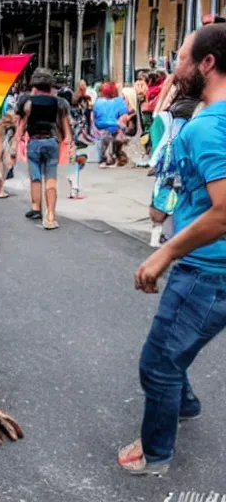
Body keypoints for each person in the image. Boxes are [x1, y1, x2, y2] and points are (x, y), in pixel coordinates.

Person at [121, 24, 226, 476]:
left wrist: (164, 254)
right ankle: (184, 405)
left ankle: (155, 453)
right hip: (209, 268)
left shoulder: (206, 127)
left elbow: (224, 212)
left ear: (206, 64)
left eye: (181, 58)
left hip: (207, 271)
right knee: (172, 351)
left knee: (158, 362)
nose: (173, 68)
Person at [13, 68, 72, 230]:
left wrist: (15, 143)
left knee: (36, 177)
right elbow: (67, 131)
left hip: (34, 142)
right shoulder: (59, 102)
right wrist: (68, 144)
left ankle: (35, 208)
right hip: (51, 143)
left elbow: (21, 125)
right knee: (51, 179)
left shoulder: (27, 101)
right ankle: (51, 216)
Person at [93, 82, 134, 167]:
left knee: (102, 143)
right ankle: (117, 156)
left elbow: (95, 115)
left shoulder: (98, 102)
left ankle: (103, 160)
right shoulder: (119, 101)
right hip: (116, 128)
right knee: (116, 142)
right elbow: (124, 115)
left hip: (102, 128)